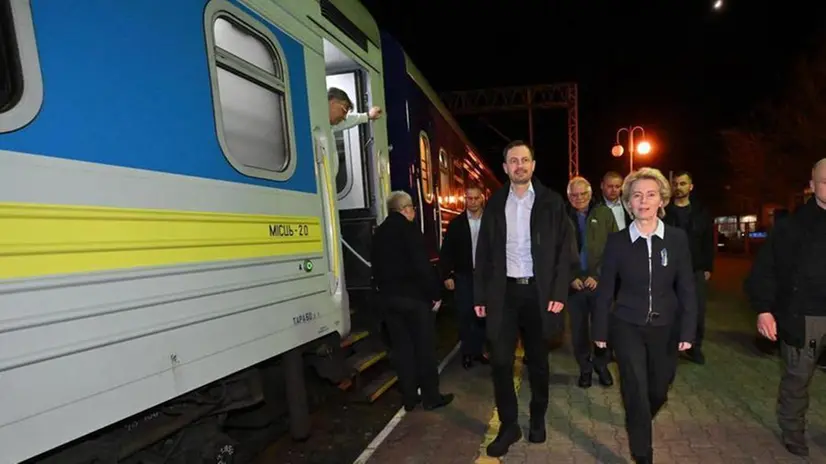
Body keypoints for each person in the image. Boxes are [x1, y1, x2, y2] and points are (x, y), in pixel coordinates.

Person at [473, 140, 573, 458]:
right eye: (513, 161)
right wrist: (480, 293)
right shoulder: (495, 203)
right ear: (505, 167)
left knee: (539, 361)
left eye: (525, 160)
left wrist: (558, 293)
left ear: (533, 165)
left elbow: (565, 252)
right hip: (503, 293)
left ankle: (538, 417)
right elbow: (484, 253)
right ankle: (509, 425)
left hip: (539, 293)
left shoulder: (551, 202)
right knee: (501, 361)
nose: (519, 165)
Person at [593, 167, 697, 464]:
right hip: (627, 325)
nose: (644, 201)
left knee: (658, 391)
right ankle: (643, 454)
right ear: (628, 203)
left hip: (666, 327)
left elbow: (688, 287)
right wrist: (600, 331)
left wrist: (689, 331)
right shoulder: (617, 242)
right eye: (636, 195)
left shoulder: (676, 240)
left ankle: (640, 418)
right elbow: (605, 291)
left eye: (651, 195)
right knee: (635, 391)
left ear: (662, 200)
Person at [745, 158, 826, 457]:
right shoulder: (791, 227)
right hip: (805, 318)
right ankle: (793, 431)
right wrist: (764, 309)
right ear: (812, 185)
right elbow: (765, 270)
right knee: (798, 378)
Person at [371, 191, 454, 412]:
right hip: (414, 300)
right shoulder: (410, 230)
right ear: (406, 209)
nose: (414, 213)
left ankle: (409, 397)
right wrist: (435, 295)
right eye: (413, 209)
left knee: (402, 350)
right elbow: (422, 267)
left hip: (390, 300)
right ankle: (431, 397)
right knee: (425, 349)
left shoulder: (378, 233)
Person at [565, 176, 617, 388]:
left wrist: (598, 276)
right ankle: (585, 369)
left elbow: (615, 248)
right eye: (574, 195)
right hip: (574, 285)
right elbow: (556, 251)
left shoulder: (604, 213)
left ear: (590, 193)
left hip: (599, 283)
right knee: (578, 331)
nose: (579, 198)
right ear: (569, 197)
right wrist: (571, 277)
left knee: (602, 328)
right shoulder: (561, 216)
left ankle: (601, 365)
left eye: (583, 194)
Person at [664, 171, 714, 364]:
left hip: (695, 269)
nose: (679, 187)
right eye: (676, 184)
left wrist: (708, 266)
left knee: (697, 310)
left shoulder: (701, 212)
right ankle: (671, 346)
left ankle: (695, 347)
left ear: (690, 187)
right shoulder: (665, 213)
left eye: (683, 183)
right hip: (670, 271)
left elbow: (708, 240)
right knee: (671, 310)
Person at [440, 185, 489, 369]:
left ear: (482, 199)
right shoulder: (456, 224)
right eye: (470, 198)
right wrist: (447, 275)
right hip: (464, 276)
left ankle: (479, 351)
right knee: (465, 315)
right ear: (465, 200)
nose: (473, 202)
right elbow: (447, 252)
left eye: (476, 198)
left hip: (486, 277)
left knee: (483, 315)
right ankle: (467, 353)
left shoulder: (491, 222)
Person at [326, 87, 382, 175]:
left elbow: (348, 120)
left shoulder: (329, 126)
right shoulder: (315, 125)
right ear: (332, 102)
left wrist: (367, 116)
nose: (344, 117)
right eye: (344, 111)